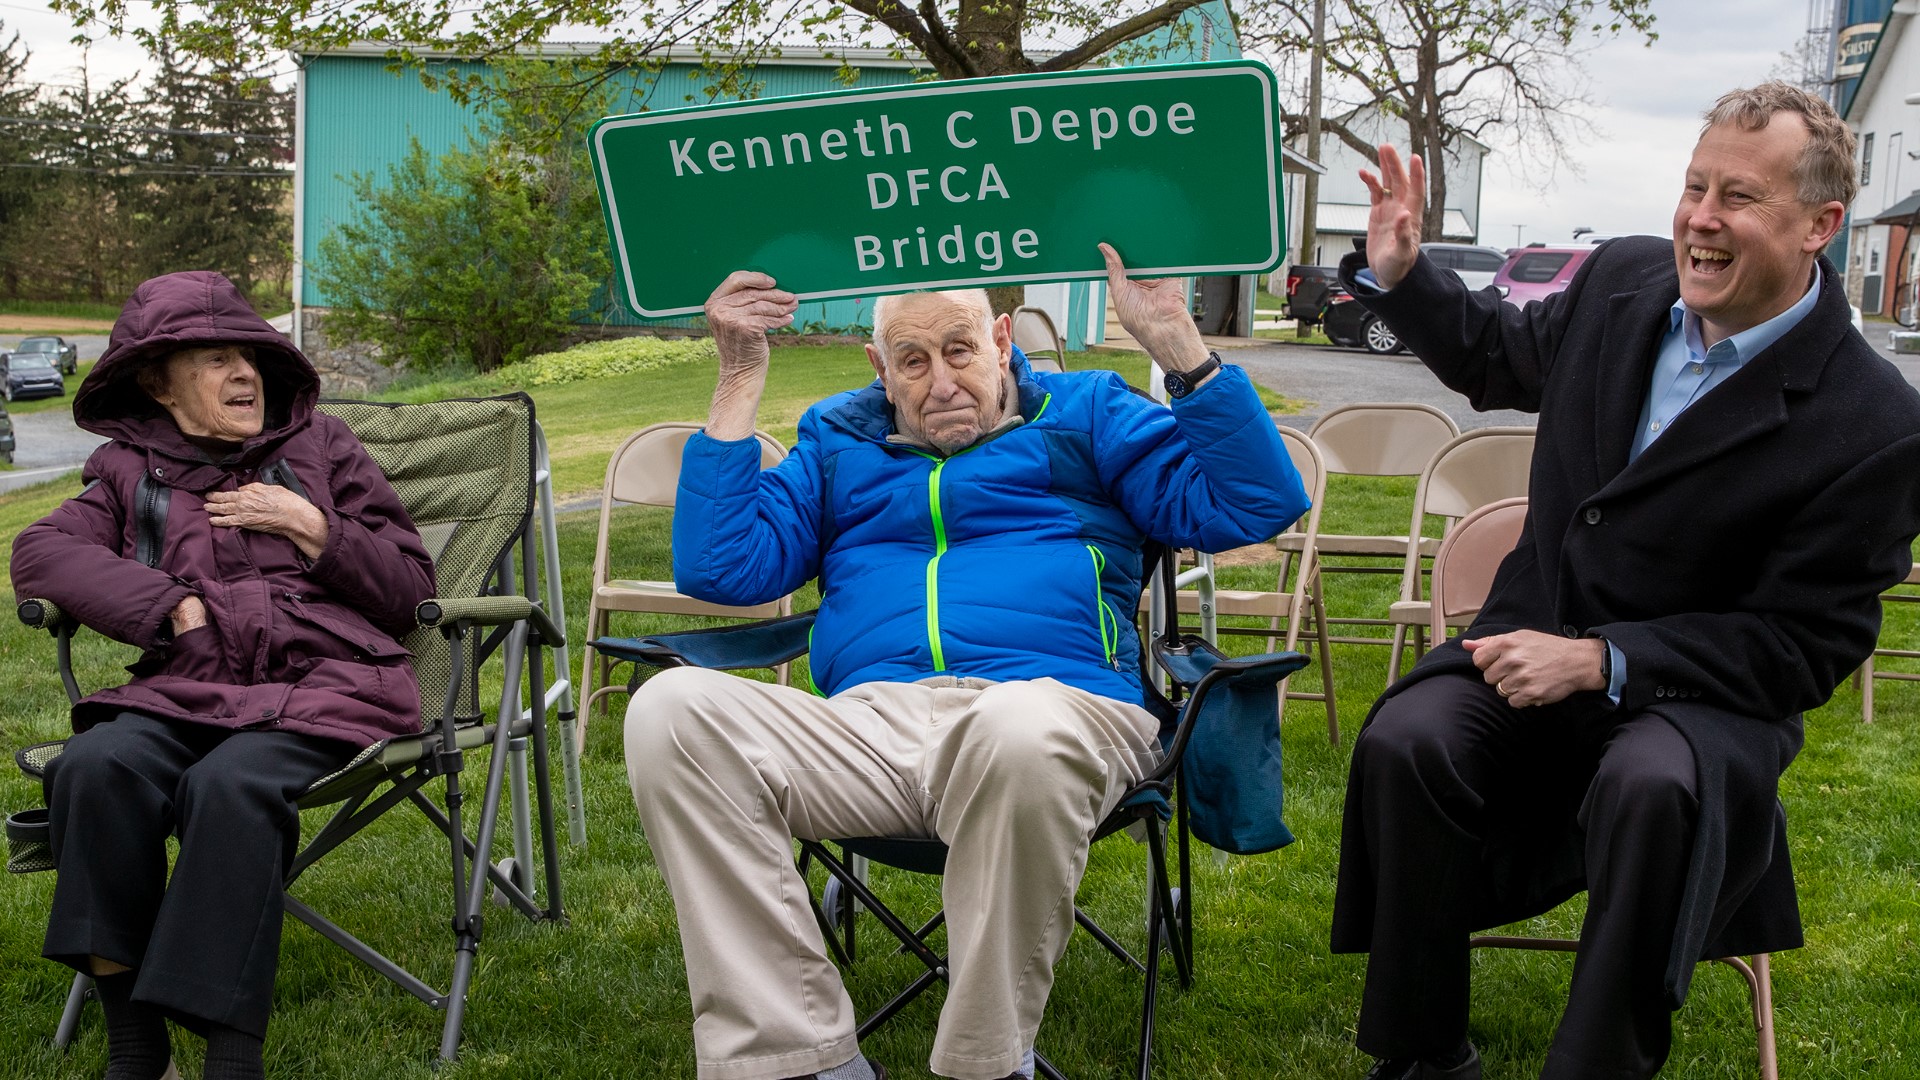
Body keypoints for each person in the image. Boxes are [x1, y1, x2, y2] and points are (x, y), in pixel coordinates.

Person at [1329, 82, 1920, 1080]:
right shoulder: (1622, 282)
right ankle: (1421, 1056)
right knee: (1407, 739)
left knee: (1650, 786)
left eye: (1740, 197)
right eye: (1695, 187)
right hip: (1531, 642)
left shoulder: (1875, 422)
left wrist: (1606, 659)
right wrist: (1406, 273)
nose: (1700, 217)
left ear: (1822, 225)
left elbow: (1803, 647)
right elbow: (1492, 354)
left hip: (1699, 702)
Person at [625, 244, 1308, 1080]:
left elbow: (1256, 502)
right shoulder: (841, 444)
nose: (942, 381)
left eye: (959, 350)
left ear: (1003, 339)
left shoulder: (1088, 412)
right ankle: (797, 1055)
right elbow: (721, 569)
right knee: (671, 712)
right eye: (912, 361)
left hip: (1060, 708)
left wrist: (1176, 343)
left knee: (1017, 728)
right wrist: (738, 378)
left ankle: (987, 1062)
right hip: (873, 725)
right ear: (880, 368)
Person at [11, 271, 436, 1080]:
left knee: (230, 786)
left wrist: (316, 527)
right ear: (156, 384)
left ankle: (231, 1059)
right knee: (95, 770)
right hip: (190, 687)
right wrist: (164, 602)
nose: (244, 373)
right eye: (213, 359)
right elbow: (40, 551)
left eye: (249, 353)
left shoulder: (322, 450)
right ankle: (137, 1049)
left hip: (324, 688)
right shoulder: (128, 472)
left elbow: (413, 592)